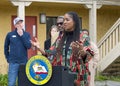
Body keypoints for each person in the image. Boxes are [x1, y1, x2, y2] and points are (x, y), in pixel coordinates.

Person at [31, 12, 94, 86]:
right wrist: (39, 48)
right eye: (64, 20)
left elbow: (89, 56)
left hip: (78, 78)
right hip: (62, 77)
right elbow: (52, 52)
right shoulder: (61, 37)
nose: (64, 22)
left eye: (67, 20)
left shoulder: (83, 36)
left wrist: (82, 52)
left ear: (74, 22)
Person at [4, 17, 31, 86]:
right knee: (11, 83)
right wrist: (8, 58)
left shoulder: (27, 35)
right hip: (13, 63)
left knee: (22, 83)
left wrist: (22, 35)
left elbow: (28, 46)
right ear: (15, 25)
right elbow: (6, 47)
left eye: (21, 23)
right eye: (17, 23)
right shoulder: (10, 35)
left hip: (23, 63)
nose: (20, 25)